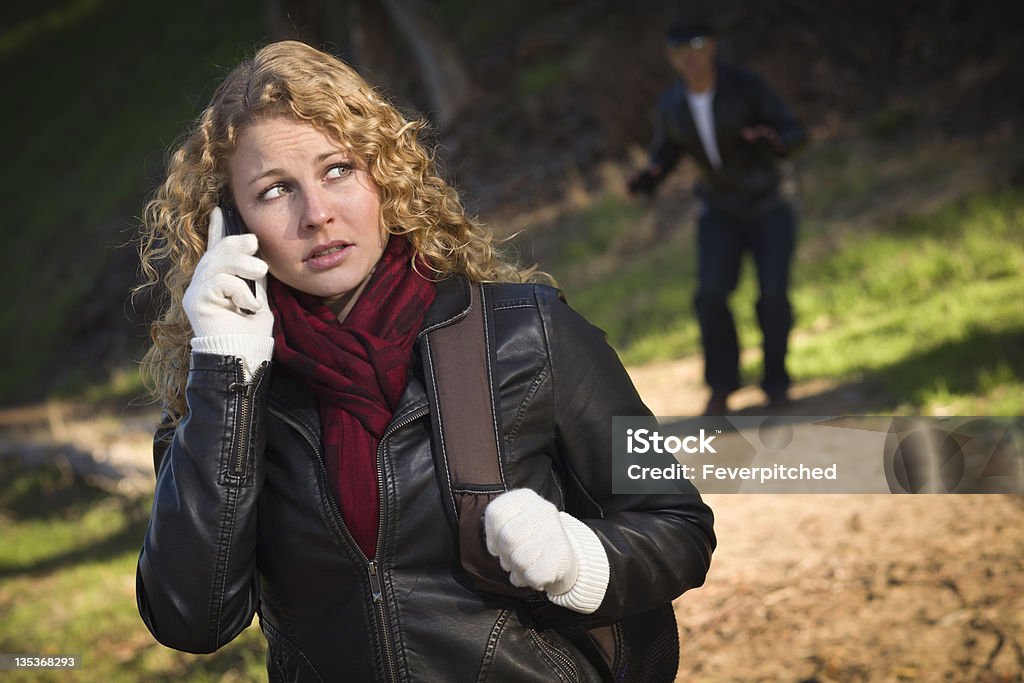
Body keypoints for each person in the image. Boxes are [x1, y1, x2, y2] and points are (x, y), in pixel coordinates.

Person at [135, 40, 715, 681]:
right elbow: (192, 619)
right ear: (231, 223)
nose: (317, 214)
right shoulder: (223, 391)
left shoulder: (530, 333)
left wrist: (579, 560)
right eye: (275, 190)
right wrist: (224, 376)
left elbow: (677, 527)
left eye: (337, 170)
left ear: (385, 174)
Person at [628, 20, 807, 416]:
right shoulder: (672, 105)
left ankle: (776, 383)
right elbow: (666, 153)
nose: (688, 56)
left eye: (695, 44)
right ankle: (722, 387)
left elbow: (794, 132)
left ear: (711, 46)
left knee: (773, 297)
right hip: (720, 211)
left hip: (768, 206)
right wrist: (648, 178)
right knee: (710, 297)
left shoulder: (747, 86)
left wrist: (774, 141)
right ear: (670, 57)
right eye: (678, 49)